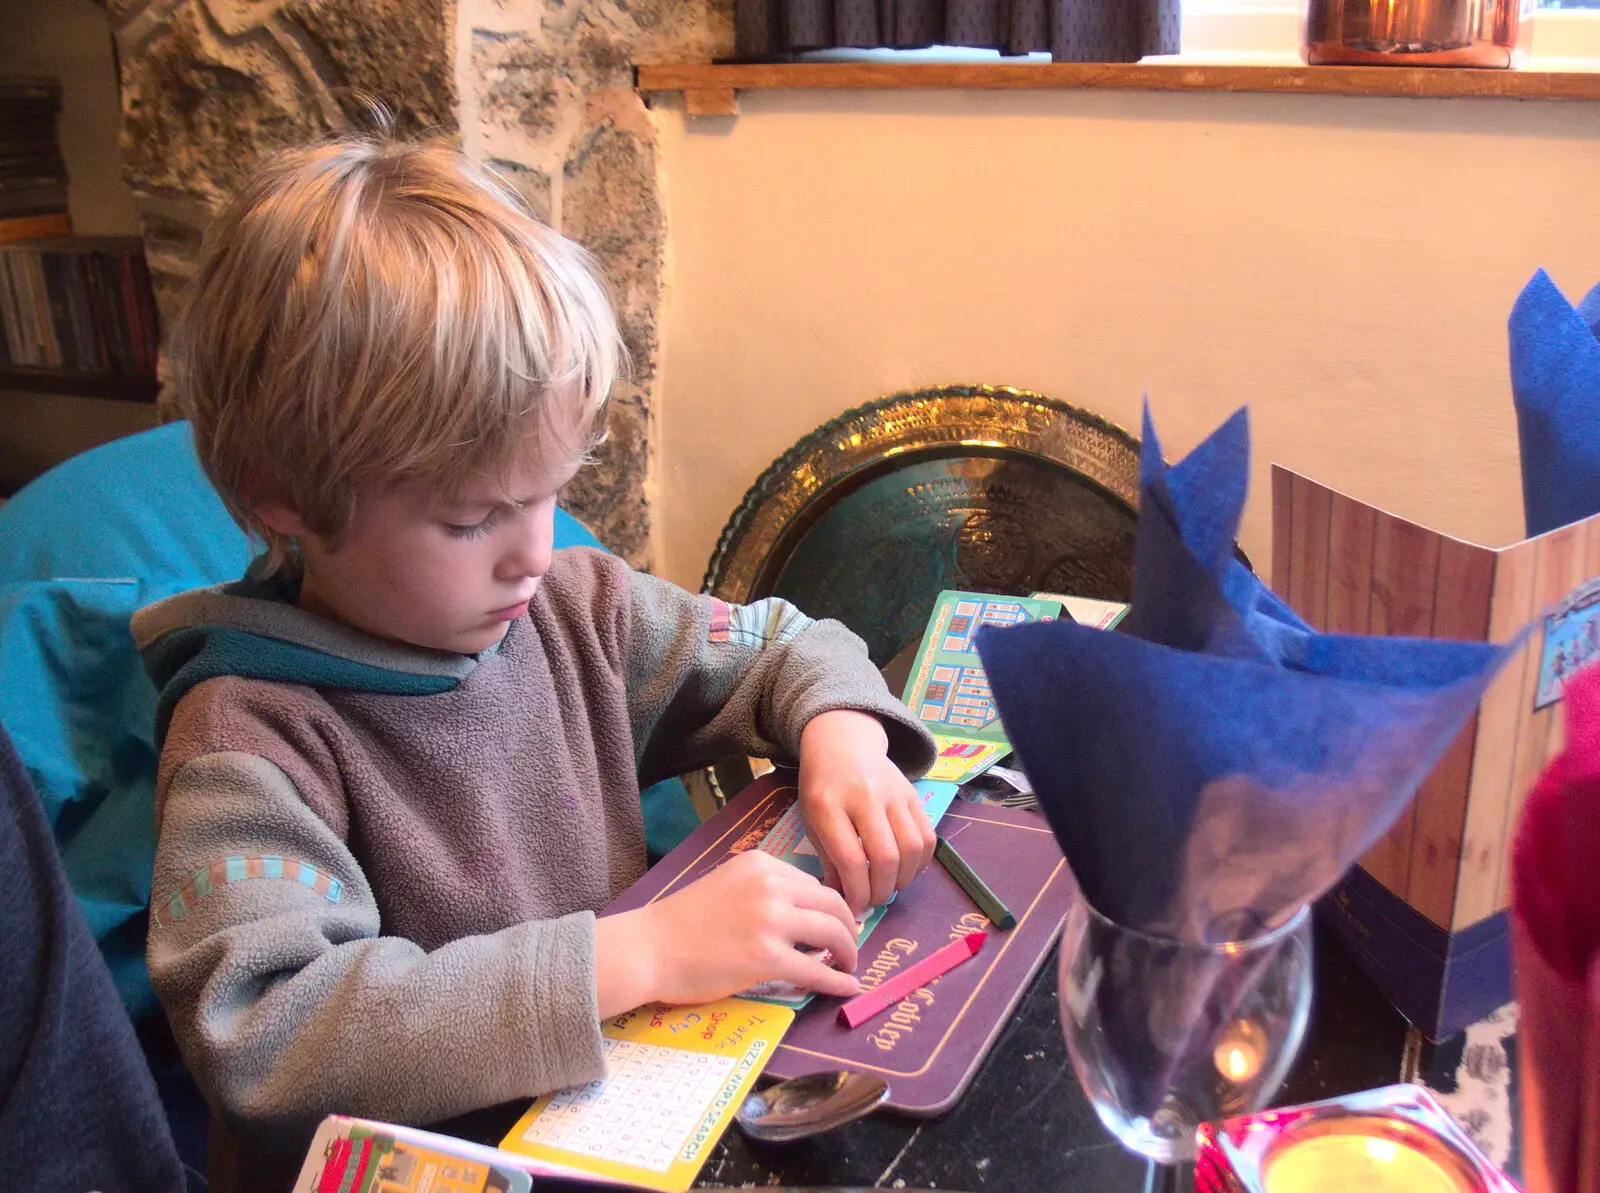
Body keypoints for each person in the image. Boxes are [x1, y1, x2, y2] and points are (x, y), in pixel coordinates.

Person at [133, 128, 937, 1192]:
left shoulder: (573, 607)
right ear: (289, 501)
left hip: (613, 1123)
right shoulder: (248, 736)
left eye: (548, 492)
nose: (534, 548)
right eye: (472, 518)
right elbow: (272, 1038)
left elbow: (788, 644)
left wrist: (842, 734)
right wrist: (640, 953)